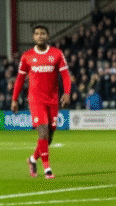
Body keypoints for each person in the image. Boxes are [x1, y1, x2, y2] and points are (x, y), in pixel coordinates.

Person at [11, 24, 71, 179]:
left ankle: (32, 160)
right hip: (36, 100)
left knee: (49, 136)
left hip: (52, 99)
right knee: (43, 131)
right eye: (37, 33)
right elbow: (20, 79)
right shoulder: (27, 56)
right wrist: (14, 99)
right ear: (33, 37)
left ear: (47, 36)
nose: (40, 36)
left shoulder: (56, 54)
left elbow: (65, 75)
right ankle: (47, 169)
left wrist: (67, 93)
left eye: (43, 33)